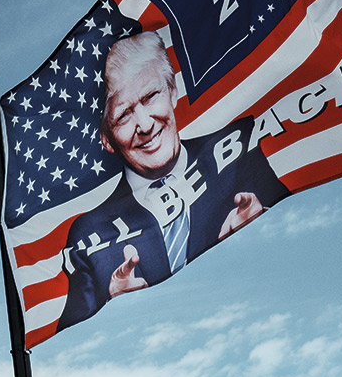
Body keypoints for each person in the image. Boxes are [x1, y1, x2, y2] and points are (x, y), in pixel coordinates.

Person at [58, 32, 288, 332]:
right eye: (124, 115)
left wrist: (255, 220)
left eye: (150, 96)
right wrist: (112, 297)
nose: (145, 124)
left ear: (173, 91)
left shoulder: (240, 151)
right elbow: (75, 332)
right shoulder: (89, 234)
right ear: (107, 139)